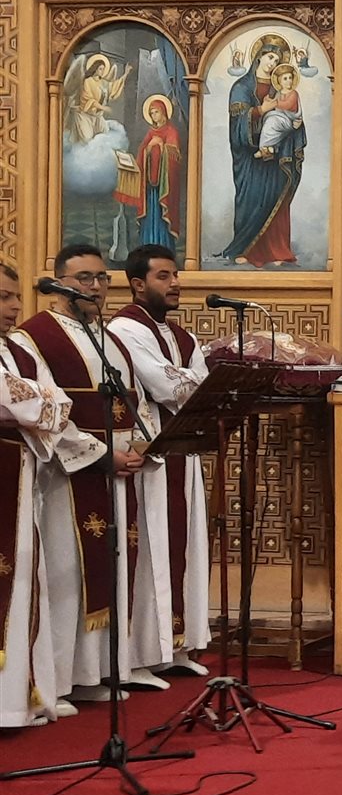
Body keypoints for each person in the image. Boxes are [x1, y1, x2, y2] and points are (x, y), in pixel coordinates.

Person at [13, 245, 160, 706]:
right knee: (67, 573)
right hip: (68, 475)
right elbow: (47, 411)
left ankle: (100, 670)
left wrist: (142, 446)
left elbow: (136, 401)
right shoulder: (33, 338)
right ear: (59, 283)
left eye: (101, 278)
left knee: (112, 568)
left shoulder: (108, 337)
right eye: (83, 279)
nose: (94, 287)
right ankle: (57, 680)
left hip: (118, 470)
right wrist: (100, 456)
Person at [107, 245, 211, 679]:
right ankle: (143, 653)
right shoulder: (124, 329)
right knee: (151, 550)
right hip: (149, 455)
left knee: (183, 545)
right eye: (164, 277)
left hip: (182, 453)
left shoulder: (181, 336)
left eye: (175, 275)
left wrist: (190, 382)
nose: (175, 284)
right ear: (138, 284)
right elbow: (170, 388)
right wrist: (189, 382)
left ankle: (175, 645)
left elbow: (203, 386)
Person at [0, 263, 72, 727]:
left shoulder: (19, 349)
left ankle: (20, 697)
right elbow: (12, 399)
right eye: (3, 297)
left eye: (15, 296)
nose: (14, 306)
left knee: (26, 579)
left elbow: (59, 401)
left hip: (20, 474)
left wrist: (30, 403)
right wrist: (32, 402)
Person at [215, 33, 303, 266]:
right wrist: (260, 111)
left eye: (278, 60)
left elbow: (292, 115)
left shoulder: (280, 88)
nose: (273, 63)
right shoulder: (241, 87)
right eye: (271, 57)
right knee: (251, 201)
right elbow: (237, 125)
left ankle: (277, 251)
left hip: (276, 158)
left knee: (276, 200)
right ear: (259, 57)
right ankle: (244, 249)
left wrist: (295, 125)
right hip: (250, 160)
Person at [111, 97, 183, 250]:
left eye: (156, 112)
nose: (154, 116)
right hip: (150, 184)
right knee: (150, 214)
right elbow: (142, 151)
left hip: (164, 187)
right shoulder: (151, 132)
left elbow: (175, 156)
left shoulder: (171, 131)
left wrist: (161, 146)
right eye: (152, 113)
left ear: (164, 112)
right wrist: (149, 147)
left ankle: (163, 245)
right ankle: (147, 243)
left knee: (161, 215)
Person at [256, 63, 302, 159]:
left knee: (271, 122)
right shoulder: (278, 93)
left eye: (290, 78)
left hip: (289, 121)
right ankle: (269, 148)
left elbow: (288, 105)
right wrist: (267, 100)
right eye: (285, 79)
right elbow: (273, 103)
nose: (289, 81)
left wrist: (274, 103)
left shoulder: (293, 93)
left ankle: (263, 147)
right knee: (270, 123)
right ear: (279, 81)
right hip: (280, 119)